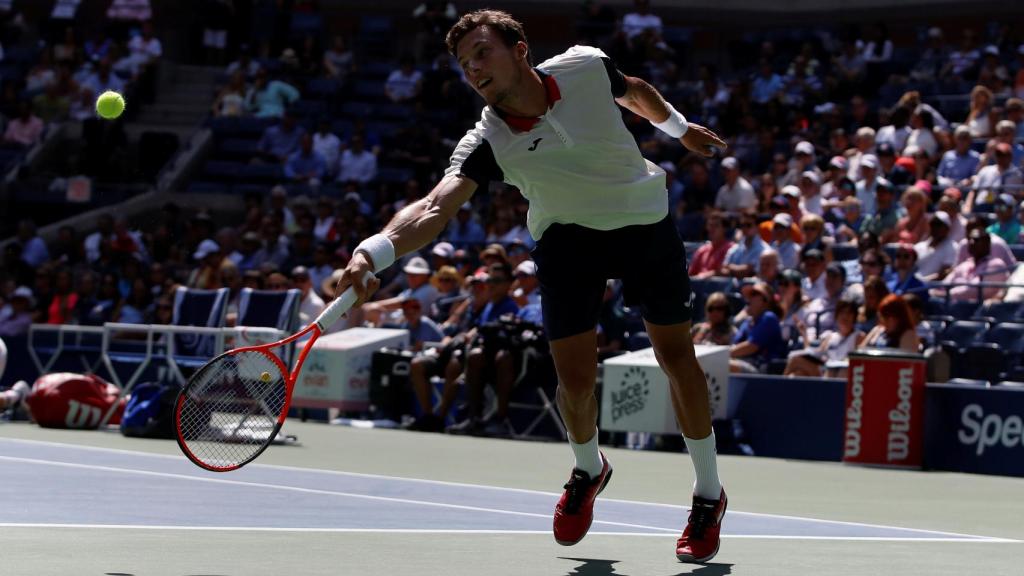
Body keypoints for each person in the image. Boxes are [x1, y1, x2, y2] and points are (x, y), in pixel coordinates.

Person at [331, 10, 729, 562]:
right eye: (465, 63)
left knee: (676, 359)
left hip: (643, 223)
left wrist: (680, 131)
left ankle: (708, 493)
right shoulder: (487, 142)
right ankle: (589, 468)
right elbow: (434, 206)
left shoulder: (586, 67)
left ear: (519, 50)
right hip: (567, 240)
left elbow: (632, 90)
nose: (473, 68)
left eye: (482, 52)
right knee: (574, 379)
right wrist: (371, 251)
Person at [784, 298, 863, 377]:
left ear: (854, 317)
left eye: (849, 313)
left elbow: (860, 362)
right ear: (837, 315)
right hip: (825, 373)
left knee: (841, 372)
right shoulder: (830, 337)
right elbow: (813, 354)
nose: (845, 316)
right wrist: (804, 334)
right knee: (795, 370)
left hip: (844, 374)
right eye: (842, 312)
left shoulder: (858, 336)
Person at [729, 281, 786, 373]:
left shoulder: (769, 318)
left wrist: (721, 355)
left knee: (721, 364)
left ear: (765, 301)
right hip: (743, 363)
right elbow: (735, 344)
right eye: (749, 295)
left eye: (754, 294)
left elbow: (752, 346)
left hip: (762, 371)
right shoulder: (748, 321)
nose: (749, 299)